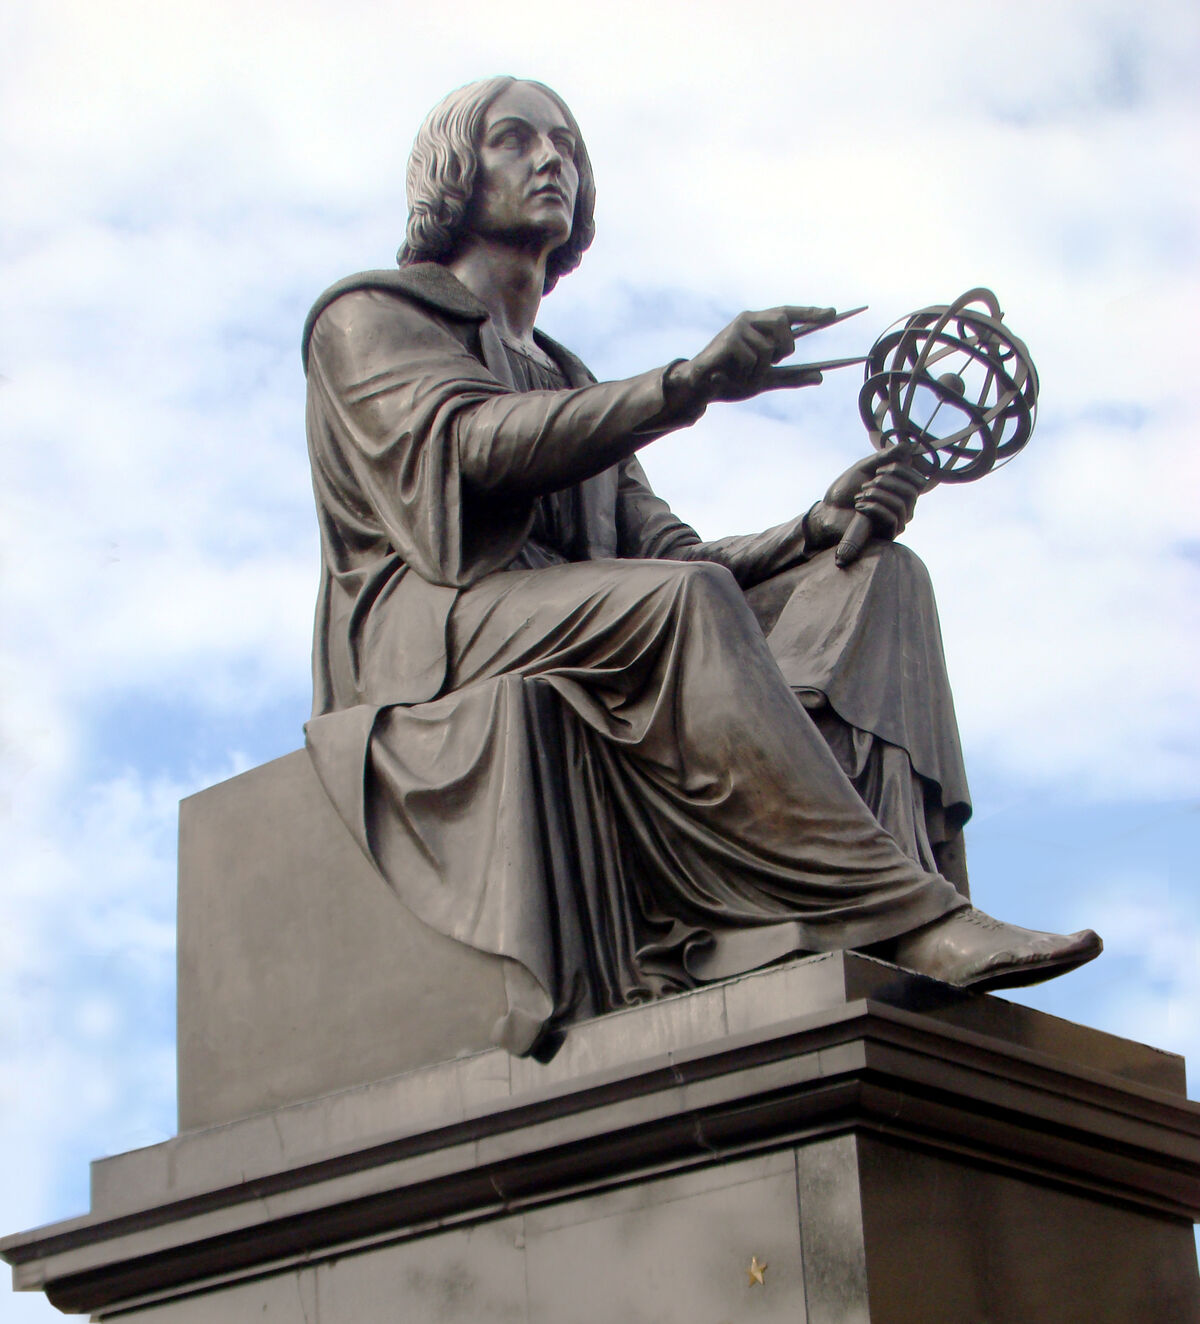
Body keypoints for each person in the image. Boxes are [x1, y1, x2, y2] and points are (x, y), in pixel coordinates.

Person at [301, 76, 1100, 1057]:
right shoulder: (367, 316)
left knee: (881, 581)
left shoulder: (565, 376)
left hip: (576, 618)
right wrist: (689, 385)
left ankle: (851, 920)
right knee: (677, 606)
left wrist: (818, 525)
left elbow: (674, 556)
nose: (553, 159)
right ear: (454, 176)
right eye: (517, 140)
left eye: (568, 146)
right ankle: (906, 915)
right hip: (431, 623)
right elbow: (471, 446)